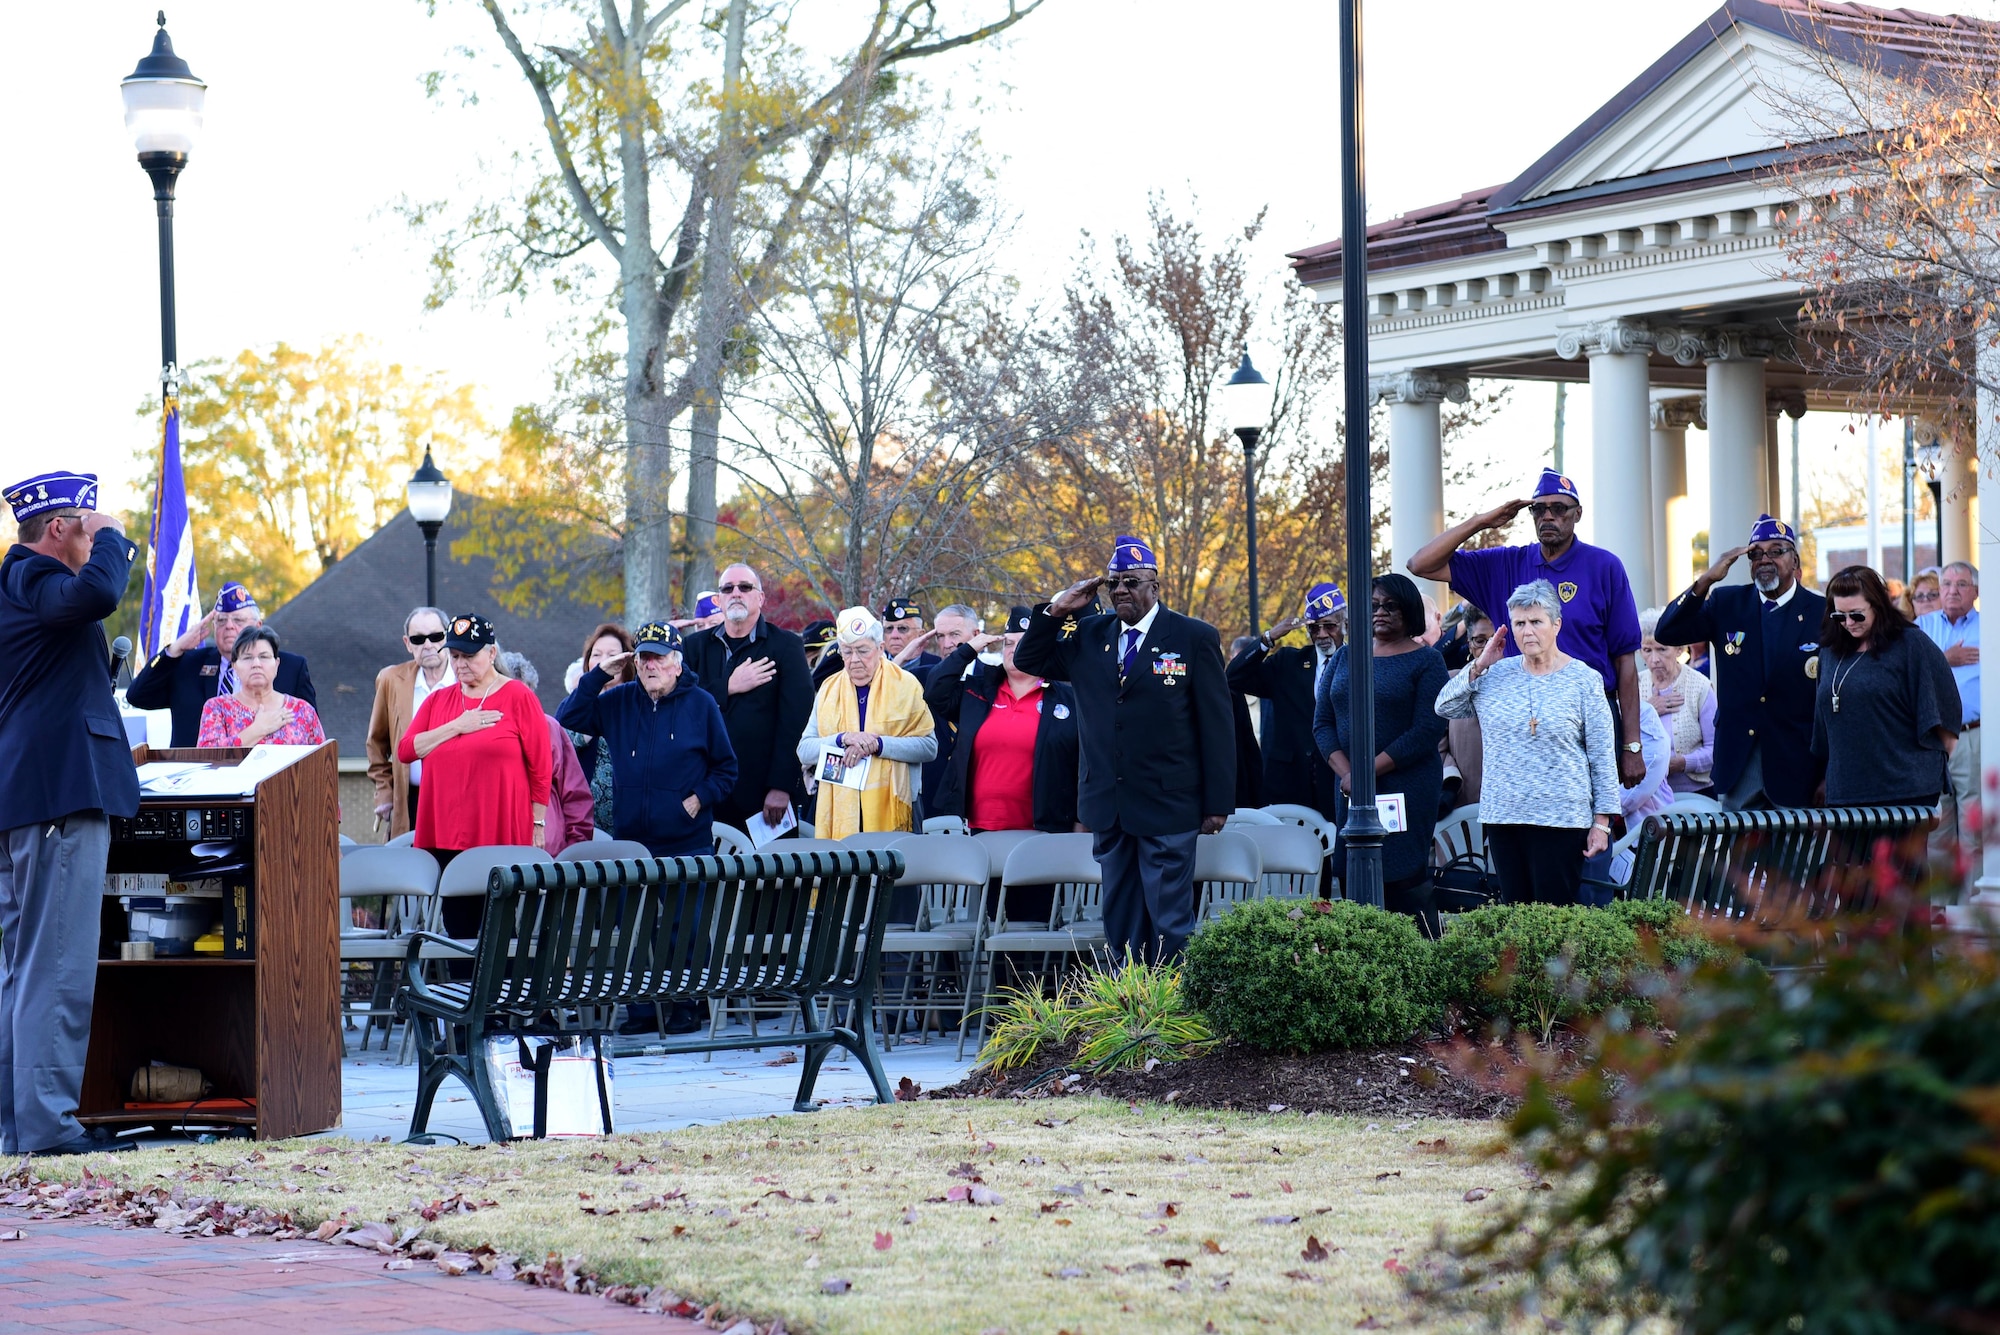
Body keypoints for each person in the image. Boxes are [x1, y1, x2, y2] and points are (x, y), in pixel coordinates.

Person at [0, 470, 141, 1156]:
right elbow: (99, 591)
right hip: (58, 795)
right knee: (56, 962)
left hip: (28, 796)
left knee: (23, 966)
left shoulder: (19, 587)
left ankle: (21, 1120)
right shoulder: (33, 577)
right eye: (87, 528)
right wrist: (114, 533)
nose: (99, 540)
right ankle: (49, 1127)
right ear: (58, 529)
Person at [1015, 536, 1234, 963]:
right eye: (1113, 582)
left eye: (1131, 582)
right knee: (1119, 913)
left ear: (1155, 586)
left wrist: (1218, 802)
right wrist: (1058, 608)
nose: (1120, 591)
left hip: (1168, 801)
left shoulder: (1193, 637)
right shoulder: (1088, 634)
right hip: (1107, 801)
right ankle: (1129, 1005)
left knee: (1170, 917)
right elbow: (1030, 659)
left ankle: (1172, 1011)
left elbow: (1217, 726)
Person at [1408, 469, 1646, 789]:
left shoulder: (1604, 566)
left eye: (1559, 508)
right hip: (1522, 715)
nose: (1548, 516)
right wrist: (1480, 521)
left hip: (1587, 716)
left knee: (1585, 825)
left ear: (1577, 514)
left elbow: (1625, 662)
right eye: (1539, 509)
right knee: (1523, 816)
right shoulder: (1505, 564)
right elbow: (1420, 564)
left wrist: (1632, 746)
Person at [557, 621, 738, 1035]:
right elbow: (568, 718)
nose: (649, 665)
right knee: (632, 926)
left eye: (658, 657)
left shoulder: (701, 704)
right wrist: (602, 672)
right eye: (643, 657)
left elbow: (727, 769)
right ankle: (640, 1010)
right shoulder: (618, 700)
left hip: (685, 838)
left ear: (677, 664)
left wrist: (696, 799)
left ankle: (686, 1006)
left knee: (682, 927)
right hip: (631, 842)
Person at [1435, 579, 1620, 905]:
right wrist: (1479, 665)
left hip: (1561, 820)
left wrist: (1602, 823)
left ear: (1556, 624)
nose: (1527, 631)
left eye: (1536, 622)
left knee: (1554, 919)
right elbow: (1444, 706)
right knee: (1514, 918)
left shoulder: (1584, 680)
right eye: (1520, 623)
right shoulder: (1494, 675)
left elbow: (1602, 756)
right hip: (1504, 818)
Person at [396, 613, 552, 941]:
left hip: (500, 832)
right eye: (454, 656)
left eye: (469, 655)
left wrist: (538, 824)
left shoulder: (518, 697)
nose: (461, 664)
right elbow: (407, 750)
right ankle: (460, 992)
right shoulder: (439, 701)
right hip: (447, 835)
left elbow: (540, 766)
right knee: (459, 934)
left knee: (501, 934)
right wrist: (456, 726)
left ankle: (502, 993)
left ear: (492, 653)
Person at [1654, 515, 1825, 808]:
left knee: (1797, 853)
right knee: (1740, 853)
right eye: (1756, 553)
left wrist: (1825, 773)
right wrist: (1706, 579)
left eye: (1776, 550)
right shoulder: (1727, 603)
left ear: (1795, 560)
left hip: (1798, 764)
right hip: (1740, 765)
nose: (1765, 559)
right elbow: (1667, 631)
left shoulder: (1820, 610)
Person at [1313, 574, 1448, 927]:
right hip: (1351, 789)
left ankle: (1417, 959)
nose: (1380, 612)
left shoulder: (1427, 661)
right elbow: (1322, 723)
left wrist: (1367, 773)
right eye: (1373, 606)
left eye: (1390, 606)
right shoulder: (1344, 657)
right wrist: (1348, 775)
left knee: (1400, 880)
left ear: (1409, 610)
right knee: (1352, 874)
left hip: (1404, 786)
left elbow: (1427, 730)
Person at [679, 563, 813, 836]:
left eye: (745, 587)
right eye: (727, 588)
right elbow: (681, 705)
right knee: (708, 877)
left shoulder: (786, 646)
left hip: (764, 798)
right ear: (719, 600)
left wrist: (782, 785)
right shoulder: (693, 647)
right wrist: (727, 687)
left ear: (760, 597)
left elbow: (797, 720)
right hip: (703, 792)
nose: (736, 593)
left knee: (770, 878)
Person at [1813, 565, 1960, 807]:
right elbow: (1824, 728)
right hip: (1845, 791)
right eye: (1839, 616)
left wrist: (1924, 772)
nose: (1848, 623)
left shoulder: (1912, 644)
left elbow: (1946, 718)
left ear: (1878, 607)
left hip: (1905, 791)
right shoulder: (1830, 653)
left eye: (1857, 614)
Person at [924, 605, 1081, 831]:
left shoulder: (1067, 700)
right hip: (975, 830)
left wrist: (1079, 824)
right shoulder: (978, 691)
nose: (1013, 650)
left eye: (1024, 643)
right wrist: (967, 650)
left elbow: (1080, 767)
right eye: (1008, 643)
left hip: (1044, 831)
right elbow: (935, 692)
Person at [796, 607, 938, 837]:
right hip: (839, 805)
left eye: (862, 651)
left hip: (896, 804)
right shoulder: (828, 689)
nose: (854, 660)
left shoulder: (906, 685)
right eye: (847, 652)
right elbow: (804, 751)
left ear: (880, 648)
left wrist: (879, 745)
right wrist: (842, 739)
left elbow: (929, 748)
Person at [127, 580, 317, 748]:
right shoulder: (189, 665)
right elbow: (138, 696)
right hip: (195, 778)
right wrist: (174, 650)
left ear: (258, 626)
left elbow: (310, 730)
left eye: (238, 620)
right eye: (221, 620)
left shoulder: (291, 667)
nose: (229, 626)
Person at [1227, 582, 1344, 819]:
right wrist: (1268, 639)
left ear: (1345, 623)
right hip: (1290, 785)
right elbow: (1234, 677)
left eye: (1329, 626)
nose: (1321, 635)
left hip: (1338, 781)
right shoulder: (1289, 662)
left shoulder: (1359, 662)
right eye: (1314, 628)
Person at [1919, 561, 1981, 889]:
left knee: (1974, 828)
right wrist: (1947, 658)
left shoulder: (1989, 626)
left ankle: (1973, 911)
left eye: (1961, 584)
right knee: (1937, 829)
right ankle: (1940, 914)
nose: (1952, 590)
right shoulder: (1921, 627)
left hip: (1973, 736)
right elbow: (1907, 674)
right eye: (1946, 584)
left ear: (1976, 591)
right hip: (1932, 739)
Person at [366, 606, 452, 838]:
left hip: (458, 799)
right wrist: (384, 791)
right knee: (411, 868)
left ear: (448, 635)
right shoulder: (392, 680)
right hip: (410, 800)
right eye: (418, 639)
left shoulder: (467, 677)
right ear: (407, 643)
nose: (428, 645)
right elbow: (376, 744)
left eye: (436, 636)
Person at [497, 650, 594, 855]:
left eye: (525, 696)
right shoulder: (476, 728)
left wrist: (573, 853)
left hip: (548, 855)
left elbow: (575, 794)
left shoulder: (548, 728)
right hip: (494, 851)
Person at [195, 627, 328, 748]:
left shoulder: (303, 711)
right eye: (247, 658)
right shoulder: (217, 708)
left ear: (276, 664)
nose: (256, 664)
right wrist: (258, 730)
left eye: (264, 657)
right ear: (234, 666)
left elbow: (322, 765)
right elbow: (208, 758)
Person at [562, 623, 637, 837]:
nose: (605, 660)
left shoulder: (639, 703)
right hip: (583, 823)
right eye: (597, 654)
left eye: (612, 654)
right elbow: (560, 737)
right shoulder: (574, 705)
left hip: (632, 821)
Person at [1638, 608, 1716, 794]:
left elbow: (1716, 749)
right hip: (1647, 795)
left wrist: (1681, 763)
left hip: (1695, 793)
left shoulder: (1700, 686)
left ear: (1679, 649)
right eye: (1647, 650)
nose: (1654, 659)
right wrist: (1647, 710)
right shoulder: (1635, 684)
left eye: (1662, 649)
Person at [1438, 610, 1493, 812]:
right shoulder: (1451, 683)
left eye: (1495, 640)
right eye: (1480, 641)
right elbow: (1437, 743)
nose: (1489, 648)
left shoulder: (1522, 684)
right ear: (1469, 643)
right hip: (1461, 801)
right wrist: (1451, 780)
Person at [882, 597, 941, 675]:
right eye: (889, 628)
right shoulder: (873, 664)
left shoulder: (937, 666)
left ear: (920, 635)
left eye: (903, 628)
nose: (894, 636)